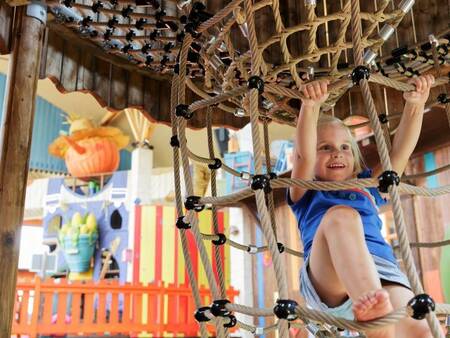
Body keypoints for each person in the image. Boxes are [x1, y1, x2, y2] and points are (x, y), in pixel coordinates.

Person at [288, 75, 437, 338]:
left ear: (355, 158)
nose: (337, 153)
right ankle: (377, 321)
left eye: (345, 147)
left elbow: (399, 155)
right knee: (341, 217)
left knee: (421, 329)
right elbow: (303, 156)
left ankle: (381, 327)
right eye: (325, 147)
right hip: (328, 276)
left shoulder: (367, 186)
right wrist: (310, 107)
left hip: (382, 272)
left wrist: (416, 104)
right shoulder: (306, 190)